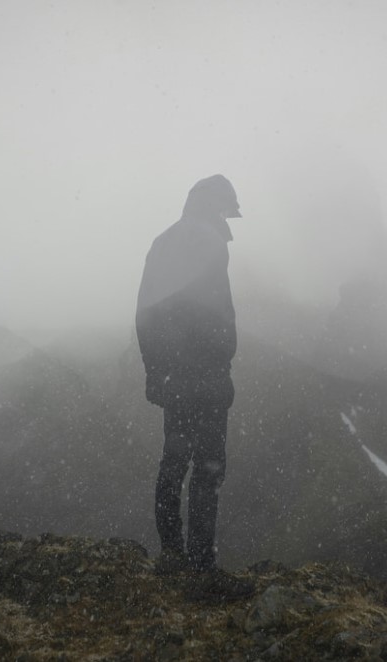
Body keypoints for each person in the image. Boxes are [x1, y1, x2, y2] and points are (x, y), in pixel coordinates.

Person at [135, 174, 253, 600]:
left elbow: (144, 311)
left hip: (175, 377)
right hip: (204, 376)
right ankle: (202, 568)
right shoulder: (210, 243)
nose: (227, 217)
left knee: (174, 460)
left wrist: (156, 370)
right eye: (226, 209)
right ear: (215, 206)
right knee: (207, 468)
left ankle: (171, 556)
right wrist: (221, 360)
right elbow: (216, 312)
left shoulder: (162, 242)